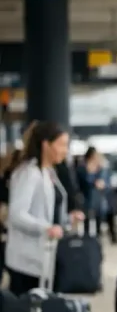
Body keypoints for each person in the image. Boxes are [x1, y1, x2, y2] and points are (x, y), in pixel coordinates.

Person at [3, 121, 71, 294]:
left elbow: (50, 210)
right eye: (61, 144)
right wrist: (46, 228)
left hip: (45, 258)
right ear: (46, 145)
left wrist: (67, 221)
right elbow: (17, 214)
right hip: (27, 261)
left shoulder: (49, 172)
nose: (65, 150)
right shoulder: (29, 173)